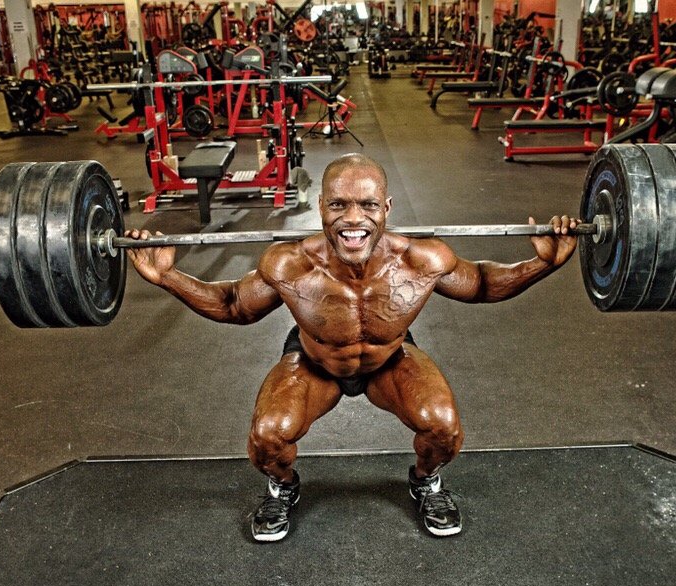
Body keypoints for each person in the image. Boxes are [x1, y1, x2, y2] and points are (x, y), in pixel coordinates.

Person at [125, 154, 580, 542]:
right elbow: (232, 305)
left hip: (389, 360)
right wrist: (166, 277)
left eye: (367, 205)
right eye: (339, 204)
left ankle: (425, 482)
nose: (353, 220)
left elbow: (479, 283)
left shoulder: (423, 259)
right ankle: (283, 486)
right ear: (321, 207)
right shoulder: (289, 263)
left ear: (387, 208)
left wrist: (541, 264)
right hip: (315, 362)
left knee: (443, 427)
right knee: (267, 436)